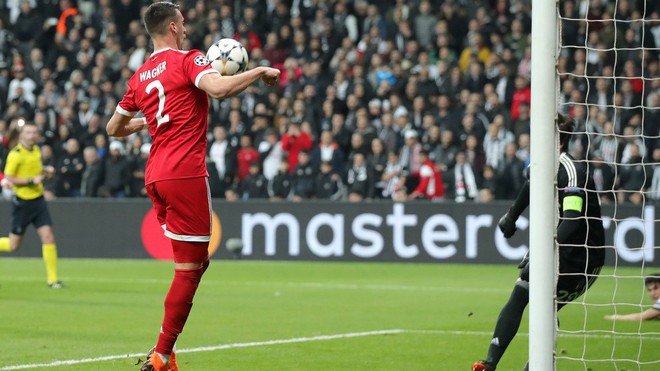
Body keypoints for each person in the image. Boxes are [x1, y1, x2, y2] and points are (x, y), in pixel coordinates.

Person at [105, 3, 280, 371]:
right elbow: (217, 89)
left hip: (156, 177)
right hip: (185, 174)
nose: (185, 29)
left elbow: (113, 129)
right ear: (171, 26)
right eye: (182, 24)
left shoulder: (138, 77)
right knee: (188, 269)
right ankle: (161, 356)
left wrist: (146, 123)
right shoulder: (189, 60)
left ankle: (163, 350)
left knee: (197, 263)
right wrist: (259, 71)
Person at [473, 114, 606, 371]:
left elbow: (573, 220)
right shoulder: (541, 164)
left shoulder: (571, 171)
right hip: (561, 248)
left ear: (557, 142)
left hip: (584, 258)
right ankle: (489, 364)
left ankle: (535, 366)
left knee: (542, 302)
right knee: (524, 291)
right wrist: (511, 216)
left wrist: (541, 252)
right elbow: (530, 183)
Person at [0, 121, 62, 288]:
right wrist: (29, 180)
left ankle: (53, 280)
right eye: (28, 132)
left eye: (34, 132)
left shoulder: (36, 150)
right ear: (22, 135)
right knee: (14, 245)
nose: (32, 135)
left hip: (38, 200)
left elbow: (34, 169)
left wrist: (45, 171)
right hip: (22, 202)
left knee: (48, 237)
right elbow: (9, 177)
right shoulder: (16, 154)